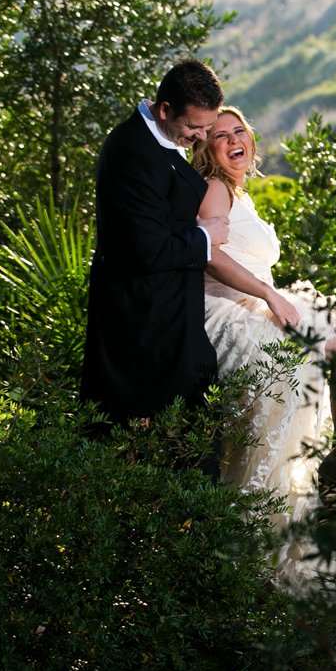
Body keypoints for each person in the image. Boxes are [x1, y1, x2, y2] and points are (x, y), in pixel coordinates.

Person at [191, 106, 336, 595]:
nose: (233, 140)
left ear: (250, 140)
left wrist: (276, 298)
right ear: (206, 148)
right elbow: (209, 255)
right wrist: (271, 297)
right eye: (219, 135)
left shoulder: (239, 194)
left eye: (238, 131)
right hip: (233, 309)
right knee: (307, 363)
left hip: (263, 300)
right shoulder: (213, 190)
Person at [79, 58, 231, 427]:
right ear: (165, 109)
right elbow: (148, 250)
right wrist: (204, 236)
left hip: (173, 312)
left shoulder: (162, 138)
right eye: (195, 127)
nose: (201, 137)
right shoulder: (134, 153)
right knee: (163, 436)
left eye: (208, 127)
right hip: (144, 322)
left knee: (188, 433)